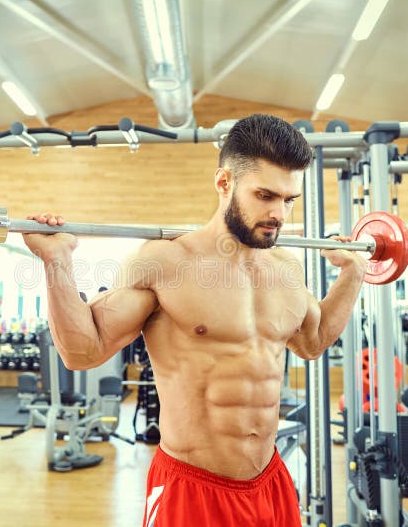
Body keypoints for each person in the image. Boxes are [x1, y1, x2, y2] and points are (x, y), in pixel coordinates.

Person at [22, 114, 367, 527]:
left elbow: (313, 341)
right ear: (224, 183)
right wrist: (56, 259)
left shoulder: (287, 269)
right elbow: (82, 352)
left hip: (269, 481)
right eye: (265, 195)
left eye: (289, 200)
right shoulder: (166, 263)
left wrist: (354, 273)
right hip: (191, 488)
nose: (279, 213)